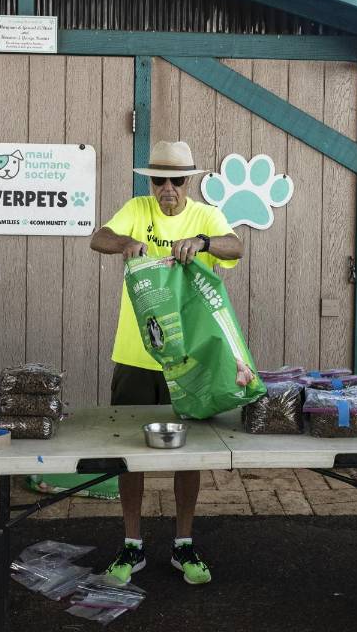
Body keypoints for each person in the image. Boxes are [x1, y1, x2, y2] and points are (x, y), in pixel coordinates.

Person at [89, 140, 243, 586]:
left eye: (177, 180)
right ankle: (132, 543)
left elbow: (236, 248)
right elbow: (97, 237)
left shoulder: (205, 215)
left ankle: (183, 542)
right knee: (128, 451)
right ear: (149, 182)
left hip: (187, 357)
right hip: (135, 354)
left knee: (188, 452)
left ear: (188, 181)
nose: (168, 188)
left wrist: (203, 242)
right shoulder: (137, 208)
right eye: (160, 180)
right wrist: (128, 242)